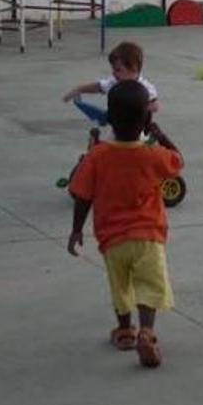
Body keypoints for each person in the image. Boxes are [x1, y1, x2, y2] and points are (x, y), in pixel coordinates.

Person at [67, 80, 184, 369]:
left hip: (113, 237)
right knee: (149, 284)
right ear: (147, 119)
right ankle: (147, 330)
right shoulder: (153, 155)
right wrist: (161, 134)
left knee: (120, 286)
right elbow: (178, 161)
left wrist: (76, 230)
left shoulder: (99, 155)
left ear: (110, 118)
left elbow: (81, 194)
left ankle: (124, 332)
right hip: (148, 235)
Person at [63, 41, 160, 113]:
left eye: (118, 70)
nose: (114, 73)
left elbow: (155, 106)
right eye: (113, 69)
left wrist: (132, 109)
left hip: (138, 132)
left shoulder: (145, 88)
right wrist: (78, 89)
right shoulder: (115, 82)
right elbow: (99, 87)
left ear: (134, 68)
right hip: (117, 130)